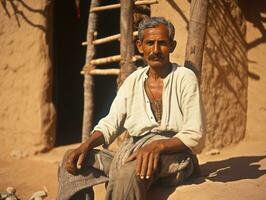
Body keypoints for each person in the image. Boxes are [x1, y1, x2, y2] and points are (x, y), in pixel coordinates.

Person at [57, 17, 204, 200]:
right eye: (150, 43)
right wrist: (86, 144)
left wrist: (157, 146)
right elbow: (111, 123)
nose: (156, 50)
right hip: (134, 152)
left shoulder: (184, 78)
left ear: (172, 46)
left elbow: (194, 134)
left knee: (130, 172)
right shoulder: (133, 81)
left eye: (162, 44)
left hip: (172, 156)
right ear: (140, 46)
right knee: (71, 159)